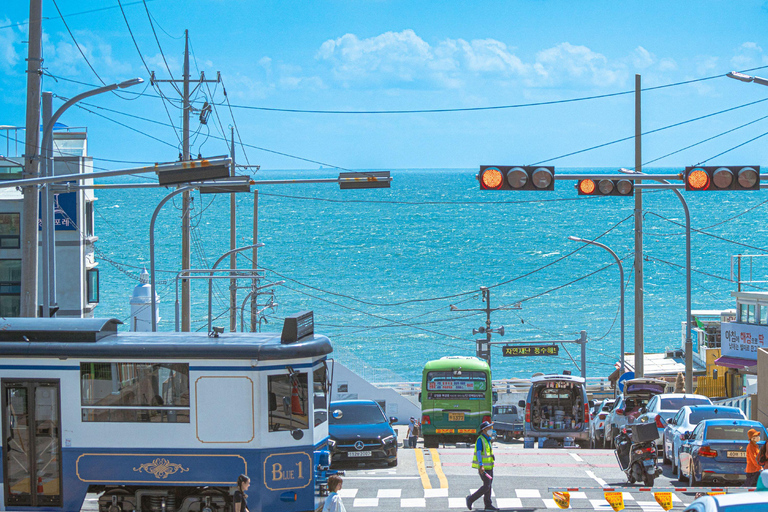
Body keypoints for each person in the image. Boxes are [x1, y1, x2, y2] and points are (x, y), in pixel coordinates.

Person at [466, 421, 497, 511]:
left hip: (489, 467)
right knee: (487, 486)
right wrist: (481, 465)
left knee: (489, 485)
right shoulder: (480, 439)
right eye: (489, 428)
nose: (491, 429)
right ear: (484, 430)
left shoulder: (487, 439)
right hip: (483, 468)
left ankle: (488, 504)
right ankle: (471, 499)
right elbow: (479, 453)